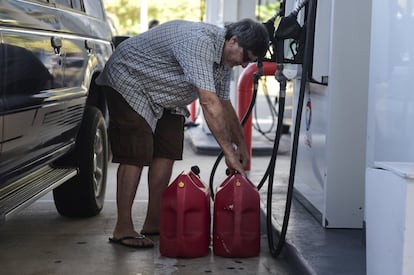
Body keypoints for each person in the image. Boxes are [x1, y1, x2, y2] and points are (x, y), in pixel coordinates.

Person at [96, 18, 269, 248]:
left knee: (168, 149)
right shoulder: (199, 42)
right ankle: (123, 228)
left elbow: (224, 104)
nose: (245, 65)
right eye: (246, 57)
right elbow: (208, 102)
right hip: (130, 78)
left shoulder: (225, 61)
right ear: (234, 41)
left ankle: (153, 222)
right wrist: (228, 151)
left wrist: (241, 146)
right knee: (136, 150)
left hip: (165, 91)